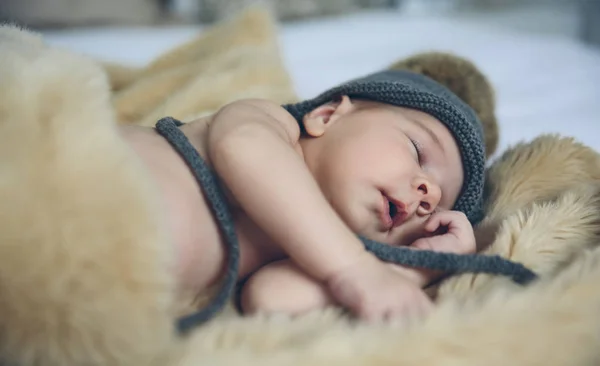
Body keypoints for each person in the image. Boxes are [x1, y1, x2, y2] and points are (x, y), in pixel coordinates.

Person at [118, 69, 486, 322]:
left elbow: (270, 299)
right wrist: (355, 268)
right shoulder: (268, 123)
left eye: (435, 209)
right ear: (327, 115)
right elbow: (243, 146)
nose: (429, 193)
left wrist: (410, 269)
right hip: (81, 183)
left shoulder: (316, 250)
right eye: (418, 150)